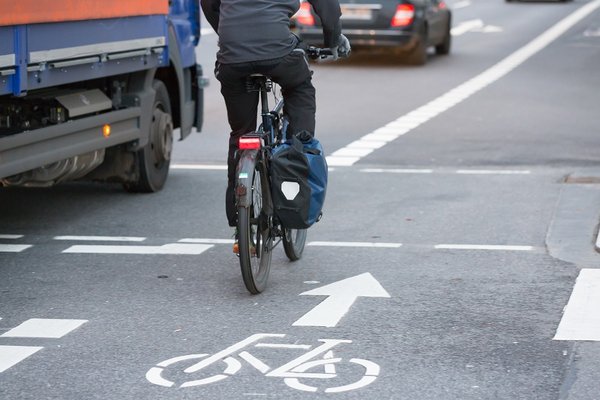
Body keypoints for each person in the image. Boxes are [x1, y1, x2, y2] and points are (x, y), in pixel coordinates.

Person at [200, 0, 350, 244]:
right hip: (279, 52)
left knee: (240, 135)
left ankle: (240, 222)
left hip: (232, 57)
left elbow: (208, 4)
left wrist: (229, 33)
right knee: (300, 89)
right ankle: (298, 154)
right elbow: (327, 6)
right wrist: (333, 41)